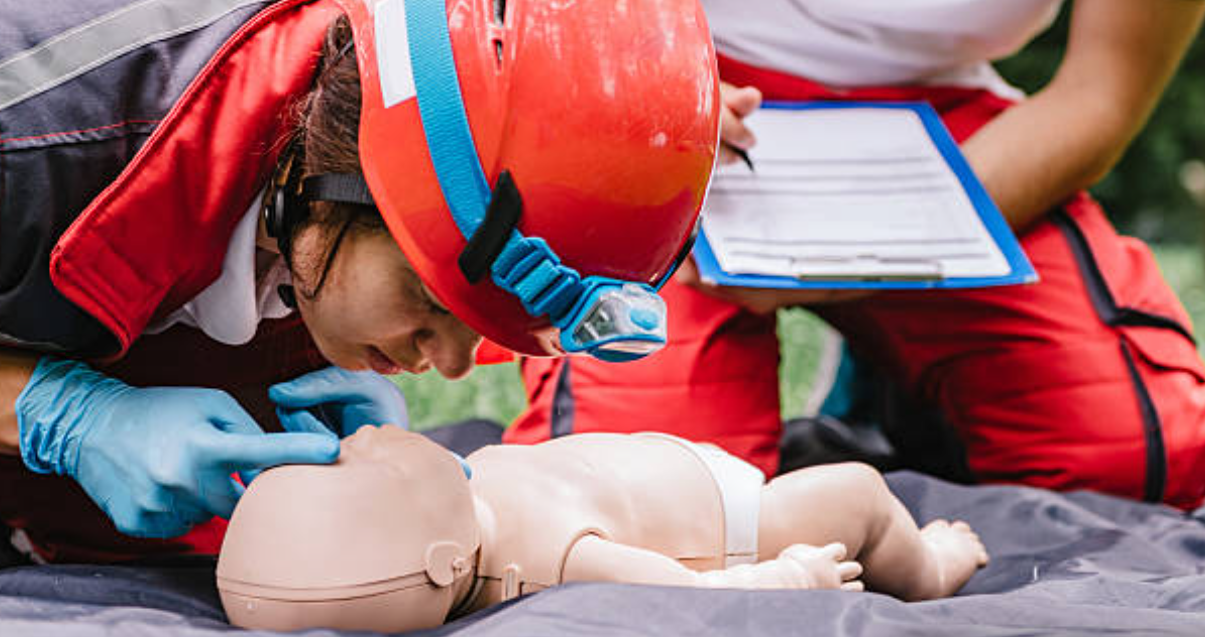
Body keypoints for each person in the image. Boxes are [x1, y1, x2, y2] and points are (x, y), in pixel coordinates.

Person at [0, 0, 719, 562]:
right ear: (348, 176)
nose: (445, 364)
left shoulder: (327, 179)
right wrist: (63, 417)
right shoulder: (34, 139)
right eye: (431, 302)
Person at [509, 0, 1205, 509]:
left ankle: (900, 378)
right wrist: (636, 95)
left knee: (1130, 461)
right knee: (647, 493)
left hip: (943, 123)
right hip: (661, 85)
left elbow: (1100, 93)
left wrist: (846, 247)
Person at [216, 426, 989, 633]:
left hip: (661, 469)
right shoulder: (563, 562)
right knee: (854, 489)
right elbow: (690, 593)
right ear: (445, 560)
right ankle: (928, 564)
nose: (363, 447)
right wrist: (788, 578)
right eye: (366, 474)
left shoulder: (456, 508)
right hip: (736, 518)